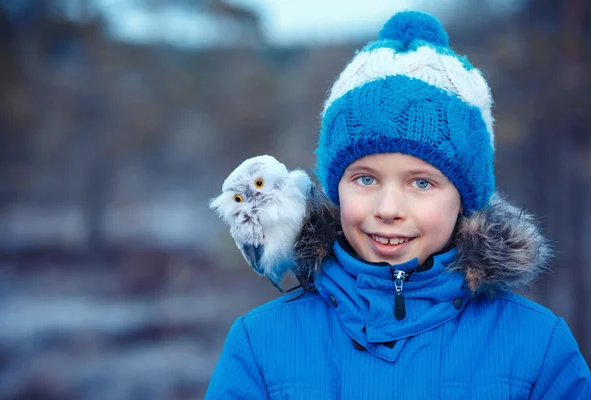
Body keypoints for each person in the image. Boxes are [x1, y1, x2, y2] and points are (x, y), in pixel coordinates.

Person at [205, 10, 591, 399]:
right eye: (366, 179)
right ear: (336, 188)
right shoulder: (260, 346)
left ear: (465, 199)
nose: (388, 208)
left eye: (421, 182)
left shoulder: (539, 348)